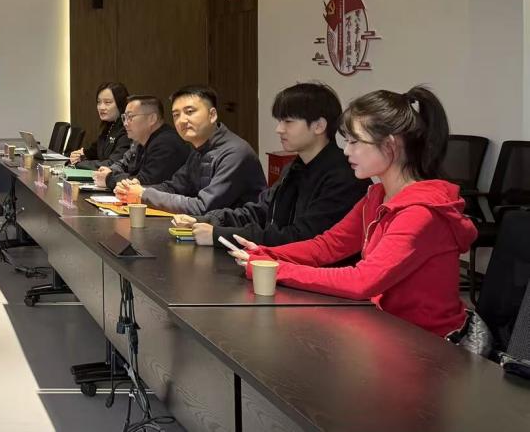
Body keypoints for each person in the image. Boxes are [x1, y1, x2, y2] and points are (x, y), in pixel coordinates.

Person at [230, 86, 478, 339]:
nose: (347, 151)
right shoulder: (376, 196)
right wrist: (266, 253)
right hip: (389, 329)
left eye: (355, 142)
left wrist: (276, 268)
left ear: (390, 144)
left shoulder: (420, 212)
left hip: (431, 343)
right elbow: (328, 246)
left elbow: (362, 280)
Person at [174, 82, 368, 246]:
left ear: (319, 126)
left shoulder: (343, 177)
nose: (279, 129)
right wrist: (208, 220)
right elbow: (260, 211)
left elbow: (301, 238)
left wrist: (218, 235)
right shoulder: (295, 167)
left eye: (288, 122)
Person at [114, 85, 264, 215]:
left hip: (235, 235)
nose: (182, 120)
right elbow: (174, 187)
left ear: (212, 115)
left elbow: (203, 206)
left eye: (190, 112)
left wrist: (144, 194)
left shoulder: (235, 153)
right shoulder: (199, 149)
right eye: (176, 115)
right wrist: (135, 189)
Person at [91, 95, 188, 190]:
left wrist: (109, 178)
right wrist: (110, 170)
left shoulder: (166, 142)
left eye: (130, 117)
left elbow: (145, 183)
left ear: (152, 119)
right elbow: (126, 165)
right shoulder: (142, 140)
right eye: (124, 117)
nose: (125, 123)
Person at [68, 82, 131, 169]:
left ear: (121, 104)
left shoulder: (127, 129)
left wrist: (80, 163)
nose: (101, 107)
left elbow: (113, 163)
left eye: (107, 102)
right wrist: (80, 155)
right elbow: (93, 151)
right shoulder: (109, 126)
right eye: (99, 102)